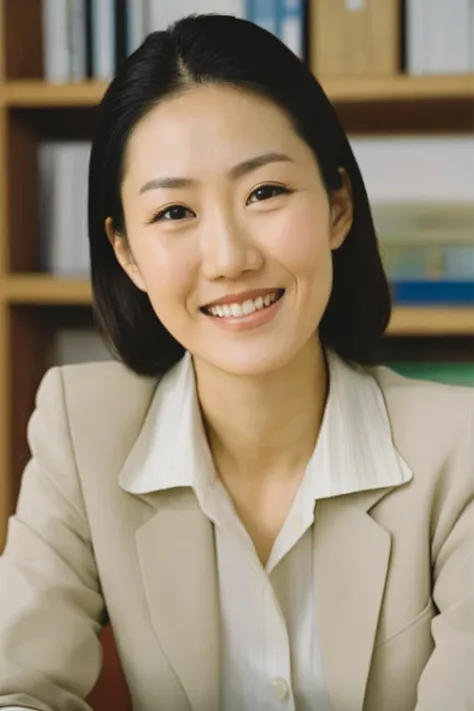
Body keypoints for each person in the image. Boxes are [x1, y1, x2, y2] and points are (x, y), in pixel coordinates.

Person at [0, 12, 473, 711]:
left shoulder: (459, 449)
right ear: (126, 250)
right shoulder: (82, 430)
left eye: (265, 193)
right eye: (173, 213)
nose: (230, 259)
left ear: (338, 207)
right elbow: (15, 684)